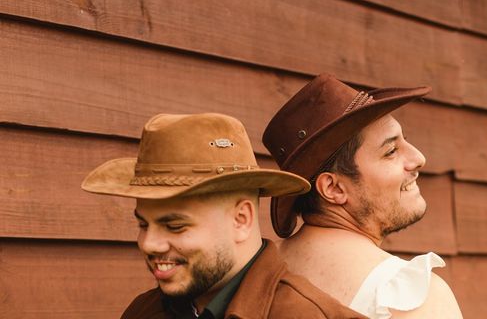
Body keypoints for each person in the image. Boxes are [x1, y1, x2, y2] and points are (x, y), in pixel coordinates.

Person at [82, 112, 366, 319]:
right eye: (143, 224)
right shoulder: (142, 312)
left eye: (175, 226)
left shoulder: (307, 315)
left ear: (241, 220)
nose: (149, 244)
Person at [262, 74, 463, 319]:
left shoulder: (254, 275)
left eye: (405, 142)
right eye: (391, 151)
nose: (419, 158)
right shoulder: (412, 299)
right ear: (334, 189)